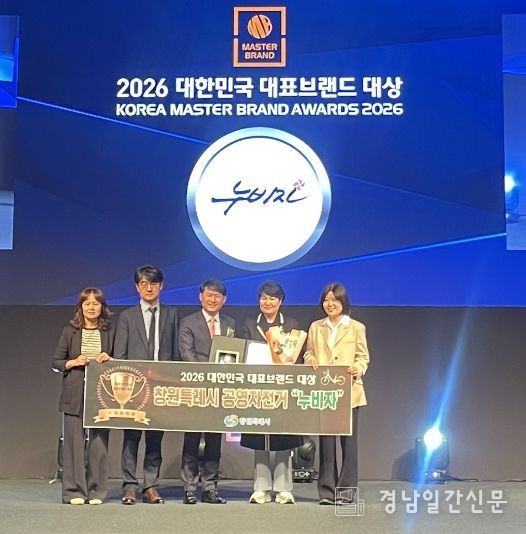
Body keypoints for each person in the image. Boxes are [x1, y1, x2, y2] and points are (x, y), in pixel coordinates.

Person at [114, 265, 179, 505]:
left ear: (161, 286)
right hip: (133, 388)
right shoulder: (127, 316)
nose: (148, 288)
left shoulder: (172, 314)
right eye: (143, 283)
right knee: (131, 439)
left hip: (161, 386)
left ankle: (150, 486)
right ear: (136, 287)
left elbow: (175, 354)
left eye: (153, 283)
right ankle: (130, 486)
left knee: (155, 440)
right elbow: (120, 354)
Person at [303, 282, 370, 505]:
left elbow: (363, 357)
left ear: (343, 302)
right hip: (325, 392)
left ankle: (346, 492)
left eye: (334, 300)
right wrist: (311, 359)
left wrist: (358, 368)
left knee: (349, 444)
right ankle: (327, 492)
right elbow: (308, 352)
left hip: (349, 391)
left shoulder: (356, 327)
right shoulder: (316, 327)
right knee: (326, 443)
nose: (330, 304)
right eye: (326, 300)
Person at [240, 280, 304, 505]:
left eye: (272, 298)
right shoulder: (249, 323)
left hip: (283, 388)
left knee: (284, 437)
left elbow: (297, 355)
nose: (267, 302)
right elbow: (242, 352)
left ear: (281, 301)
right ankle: (261, 488)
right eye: (263, 298)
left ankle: (283, 489)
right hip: (257, 387)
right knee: (259, 437)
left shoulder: (291, 324)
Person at [51, 287, 114, 505]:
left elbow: (119, 360)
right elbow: (56, 362)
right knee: (73, 443)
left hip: (101, 394)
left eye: (96, 303)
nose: (91, 307)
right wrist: (74, 361)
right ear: (81, 307)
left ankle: (96, 491)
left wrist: (109, 358)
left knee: (99, 443)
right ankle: (74, 491)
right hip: (74, 393)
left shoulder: (109, 332)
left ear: (102, 307)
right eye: (87, 303)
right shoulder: (70, 332)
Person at [178, 279, 235, 504]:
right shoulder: (188, 322)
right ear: (200, 296)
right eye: (209, 295)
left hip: (220, 389)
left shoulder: (230, 323)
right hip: (196, 388)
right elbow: (187, 354)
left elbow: (233, 354)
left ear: (224, 300)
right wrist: (207, 375)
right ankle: (190, 488)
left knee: (214, 440)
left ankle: (210, 488)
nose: (213, 299)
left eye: (217, 296)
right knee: (191, 439)